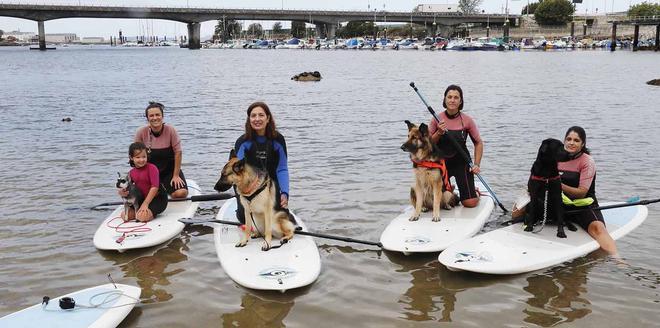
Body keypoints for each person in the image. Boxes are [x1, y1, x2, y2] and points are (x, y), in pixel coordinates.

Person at [559, 126, 617, 255]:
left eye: (576, 140)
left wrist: (557, 184)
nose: (571, 143)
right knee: (520, 208)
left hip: (582, 205)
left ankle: (617, 261)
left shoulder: (587, 161)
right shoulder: (556, 157)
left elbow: (582, 192)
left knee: (598, 229)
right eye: (568, 139)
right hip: (560, 205)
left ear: (583, 144)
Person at [233, 101, 293, 225]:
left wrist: (285, 193)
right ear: (249, 119)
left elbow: (282, 169)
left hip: (271, 186)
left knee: (278, 218)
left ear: (268, 118)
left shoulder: (278, 140)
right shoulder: (242, 142)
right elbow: (238, 173)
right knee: (244, 218)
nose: (257, 119)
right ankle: (241, 209)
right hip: (249, 188)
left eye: (261, 115)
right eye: (253, 116)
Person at [428, 85, 483, 208]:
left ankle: (476, 193)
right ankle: (450, 191)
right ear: (445, 99)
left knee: (470, 204)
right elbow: (428, 145)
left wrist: (476, 164)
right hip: (441, 165)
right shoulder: (436, 119)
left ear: (460, 101)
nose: (452, 100)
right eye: (450, 97)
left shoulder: (467, 120)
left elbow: (478, 143)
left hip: (461, 163)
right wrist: (438, 133)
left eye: (456, 97)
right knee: (439, 203)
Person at [134, 102, 188, 199]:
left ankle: (166, 187)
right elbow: (136, 156)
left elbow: (178, 153)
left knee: (181, 194)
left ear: (162, 116)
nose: (155, 118)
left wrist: (176, 175)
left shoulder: (171, 130)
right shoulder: (141, 132)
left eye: (157, 115)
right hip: (150, 172)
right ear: (147, 118)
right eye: (151, 116)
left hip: (169, 171)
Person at [118, 142, 168, 222]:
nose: (141, 160)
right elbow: (128, 188)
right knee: (124, 216)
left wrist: (145, 204)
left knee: (142, 217)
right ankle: (141, 212)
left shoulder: (152, 168)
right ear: (131, 157)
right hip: (141, 199)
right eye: (138, 157)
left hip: (157, 198)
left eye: (144, 157)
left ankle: (150, 214)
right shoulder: (131, 173)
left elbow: (155, 187)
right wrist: (122, 192)